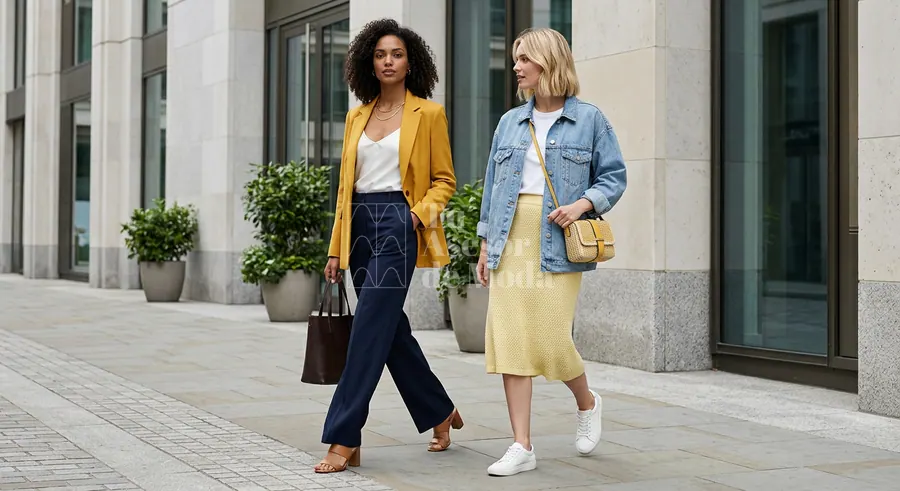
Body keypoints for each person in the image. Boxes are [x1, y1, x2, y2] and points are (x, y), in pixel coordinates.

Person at [475, 27, 628, 477]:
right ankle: (521, 445)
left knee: (551, 337)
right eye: (516, 58)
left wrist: (582, 205)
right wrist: (485, 244)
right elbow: (492, 187)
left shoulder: (590, 120)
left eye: (525, 58)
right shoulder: (509, 122)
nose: (517, 66)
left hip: (557, 239)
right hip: (509, 236)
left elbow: (614, 176)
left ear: (549, 61)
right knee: (510, 339)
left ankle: (587, 401)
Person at [316, 18, 464, 473]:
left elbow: (445, 181)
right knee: (388, 329)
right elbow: (344, 190)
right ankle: (440, 410)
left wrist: (414, 216)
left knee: (367, 330)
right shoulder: (356, 116)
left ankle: (344, 435)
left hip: (399, 224)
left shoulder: (428, 114)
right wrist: (336, 249)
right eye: (380, 54)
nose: (388, 61)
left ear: (410, 62)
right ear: (369, 62)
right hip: (359, 223)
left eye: (396, 54)